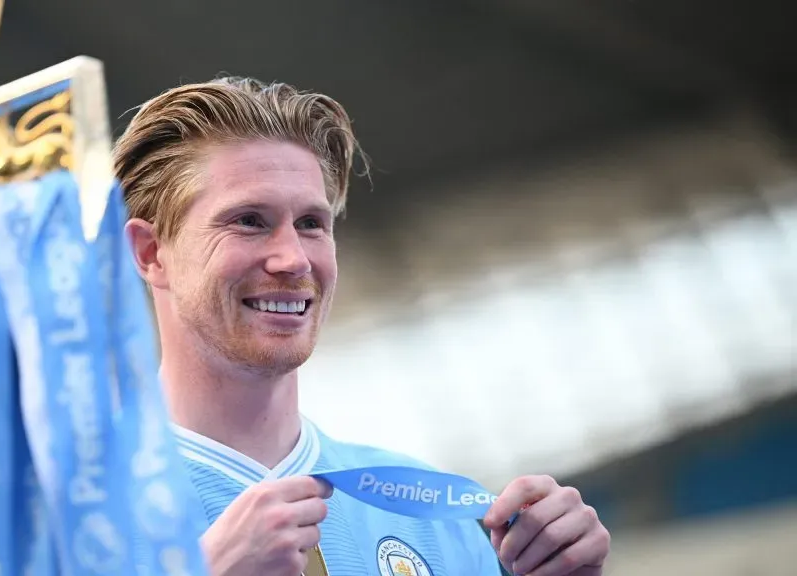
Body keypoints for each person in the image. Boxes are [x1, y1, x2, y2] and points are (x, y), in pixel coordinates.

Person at [114, 77, 611, 576]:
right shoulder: (68, 515)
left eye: (311, 223)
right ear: (151, 253)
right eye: (249, 220)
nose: (293, 259)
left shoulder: (426, 509)